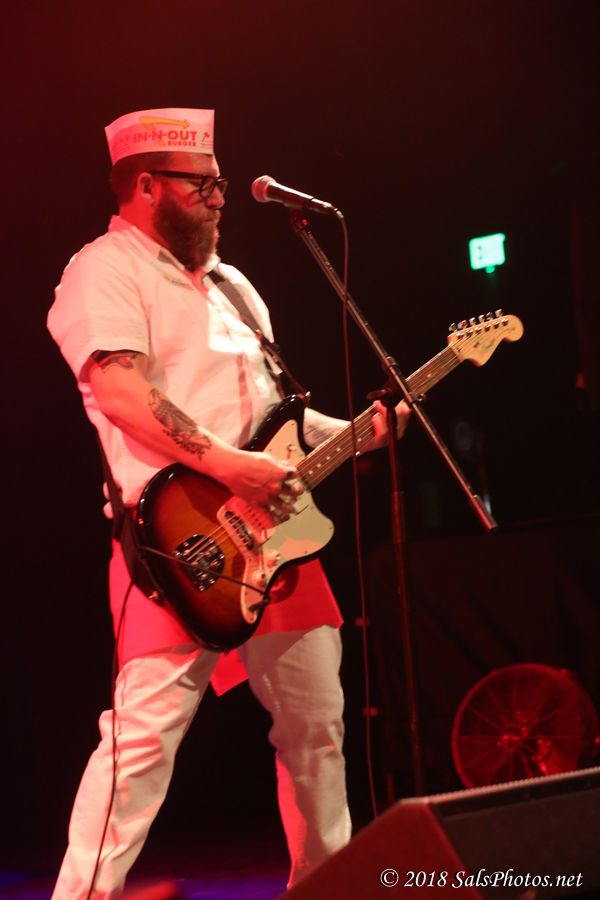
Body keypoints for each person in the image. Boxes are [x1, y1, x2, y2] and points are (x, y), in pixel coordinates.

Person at [47, 107, 410, 898]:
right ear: (147, 186)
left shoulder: (233, 287)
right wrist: (229, 467)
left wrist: (360, 433)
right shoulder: (102, 270)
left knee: (319, 732)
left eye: (219, 183)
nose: (220, 198)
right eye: (202, 185)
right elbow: (122, 392)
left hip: (276, 539)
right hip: (178, 542)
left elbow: (278, 426)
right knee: (140, 748)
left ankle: (326, 889)